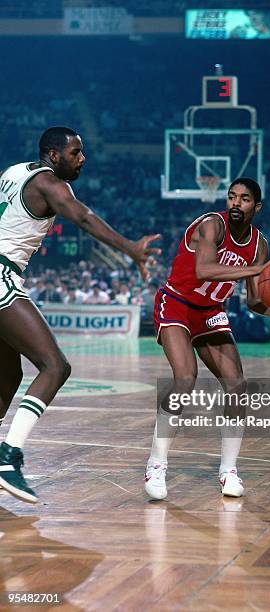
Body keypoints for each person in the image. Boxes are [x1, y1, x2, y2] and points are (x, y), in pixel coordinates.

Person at [0, 126, 161, 503]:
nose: (82, 159)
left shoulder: (12, 172)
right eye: (76, 152)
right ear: (54, 156)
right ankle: (8, 457)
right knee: (55, 366)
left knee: (8, 373)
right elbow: (84, 218)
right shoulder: (51, 184)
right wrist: (130, 249)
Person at [144, 177, 270, 500]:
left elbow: (254, 301)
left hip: (210, 310)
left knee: (237, 385)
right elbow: (205, 270)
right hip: (178, 302)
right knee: (185, 377)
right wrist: (256, 271)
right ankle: (156, 464)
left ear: (257, 206)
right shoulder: (212, 225)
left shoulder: (258, 245)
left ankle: (228, 471)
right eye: (232, 197)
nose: (236, 203)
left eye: (245, 199)